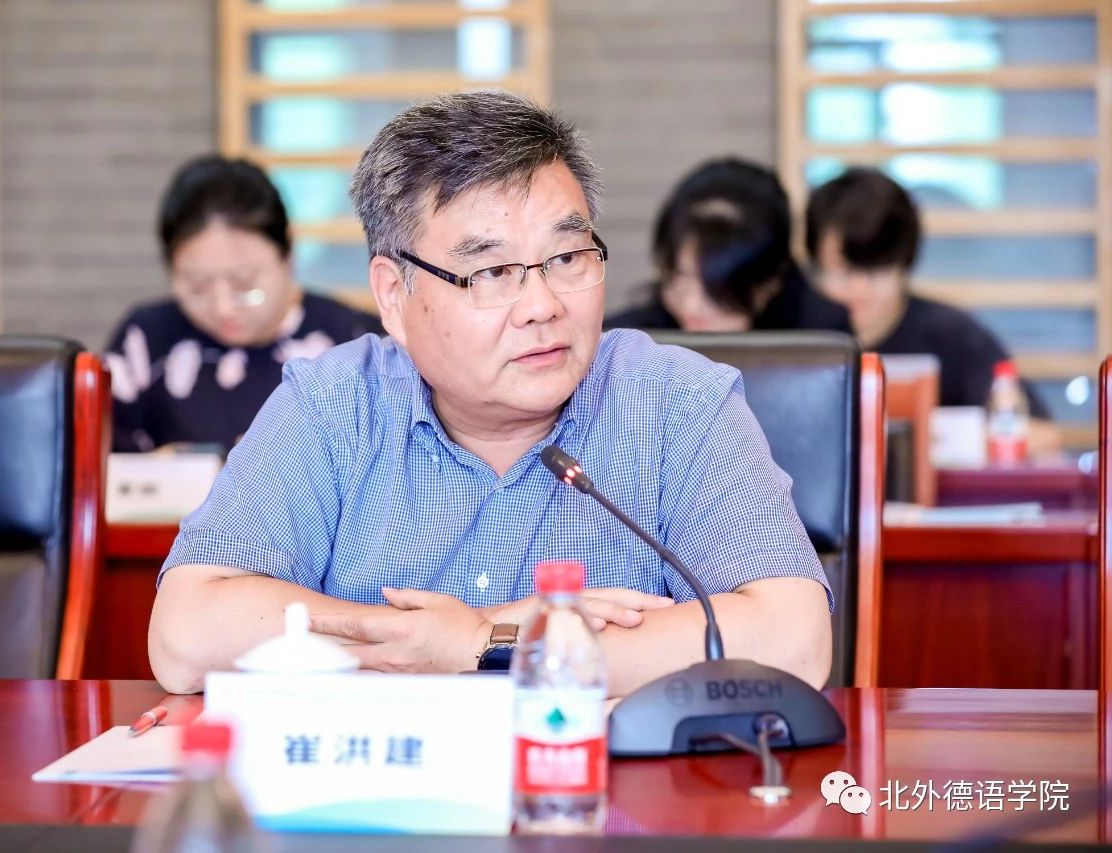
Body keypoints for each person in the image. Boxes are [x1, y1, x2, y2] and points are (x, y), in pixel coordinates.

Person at [149, 92, 831, 697]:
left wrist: (487, 645)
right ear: (394, 295)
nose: (542, 305)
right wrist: (434, 640)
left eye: (567, 258)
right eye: (493, 272)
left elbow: (794, 640)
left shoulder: (677, 403)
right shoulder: (333, 406)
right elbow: (184, 635)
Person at [104, 155, 381, 452]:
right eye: (197, 287)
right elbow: (102, 464)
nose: (223, 307)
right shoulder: (144, 341)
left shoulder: (360, 345)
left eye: (244, 284)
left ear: (288, 256)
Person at [805, 167, 1051, 417]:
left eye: (874, 272)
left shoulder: (955, 337)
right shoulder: (797, 336)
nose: (858, 289)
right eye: (843, 272)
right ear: (815, 265)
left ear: (905, 266)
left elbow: (1039, 430)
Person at [606, 157, 850, 334]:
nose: (691, 305)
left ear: (770, 283)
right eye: (679, 279)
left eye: (715, 289)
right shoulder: (627, 341)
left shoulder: (822, 339)